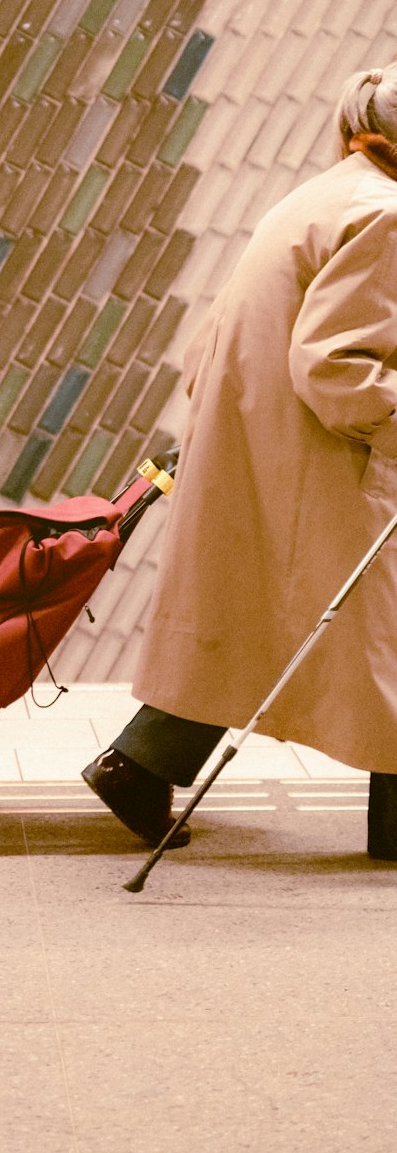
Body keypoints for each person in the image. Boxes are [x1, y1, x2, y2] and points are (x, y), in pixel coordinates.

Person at [82, 65, 397, 859]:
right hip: (319, 459)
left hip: (264, 446)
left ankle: (139, 764)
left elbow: (212, 340)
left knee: (248, 620)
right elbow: (334, 363)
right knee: (373, 635)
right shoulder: (385, 213)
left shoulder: (324, 195)